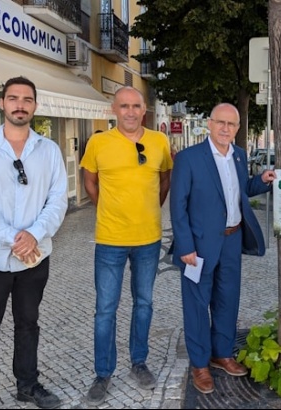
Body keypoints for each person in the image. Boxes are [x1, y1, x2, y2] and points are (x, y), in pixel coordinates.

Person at [0, 76, 68, 409]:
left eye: (26, 99)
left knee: (28, 324)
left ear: (35, 106)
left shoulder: (49, 150)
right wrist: (13, 238)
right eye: (13, 98)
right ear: (2, 103)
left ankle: (27, 385)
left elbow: (58, 200)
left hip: (35, 259)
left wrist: (34, 235)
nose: (20, 105)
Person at [169, 103, 276, 395]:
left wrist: (261, 182)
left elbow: (240, 191)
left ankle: (222, 353)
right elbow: (177, 206)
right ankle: (200, 364)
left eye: (232, 124)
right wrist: (185, 246)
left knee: (228, 300)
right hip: (199, 246)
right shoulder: (189, 158)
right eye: (220, 123)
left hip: (232, 240)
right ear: (209, 123)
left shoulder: (239, 156)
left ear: (238, 128)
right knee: (196, 305)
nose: (226, 128)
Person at [80, 86, 173, 406]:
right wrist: (103, 207)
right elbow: (89, 179)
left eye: (136, 106)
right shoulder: (98, 142)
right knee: (105, 309)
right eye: (124, 106)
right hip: (109, 240)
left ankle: (139, 362)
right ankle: (103, 373)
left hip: (149, 239)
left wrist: (152, 210)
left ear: (144, 109)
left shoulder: (160, 141)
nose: (130, 111)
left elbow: (165, 180)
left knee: (144, 303)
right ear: (114, 109)